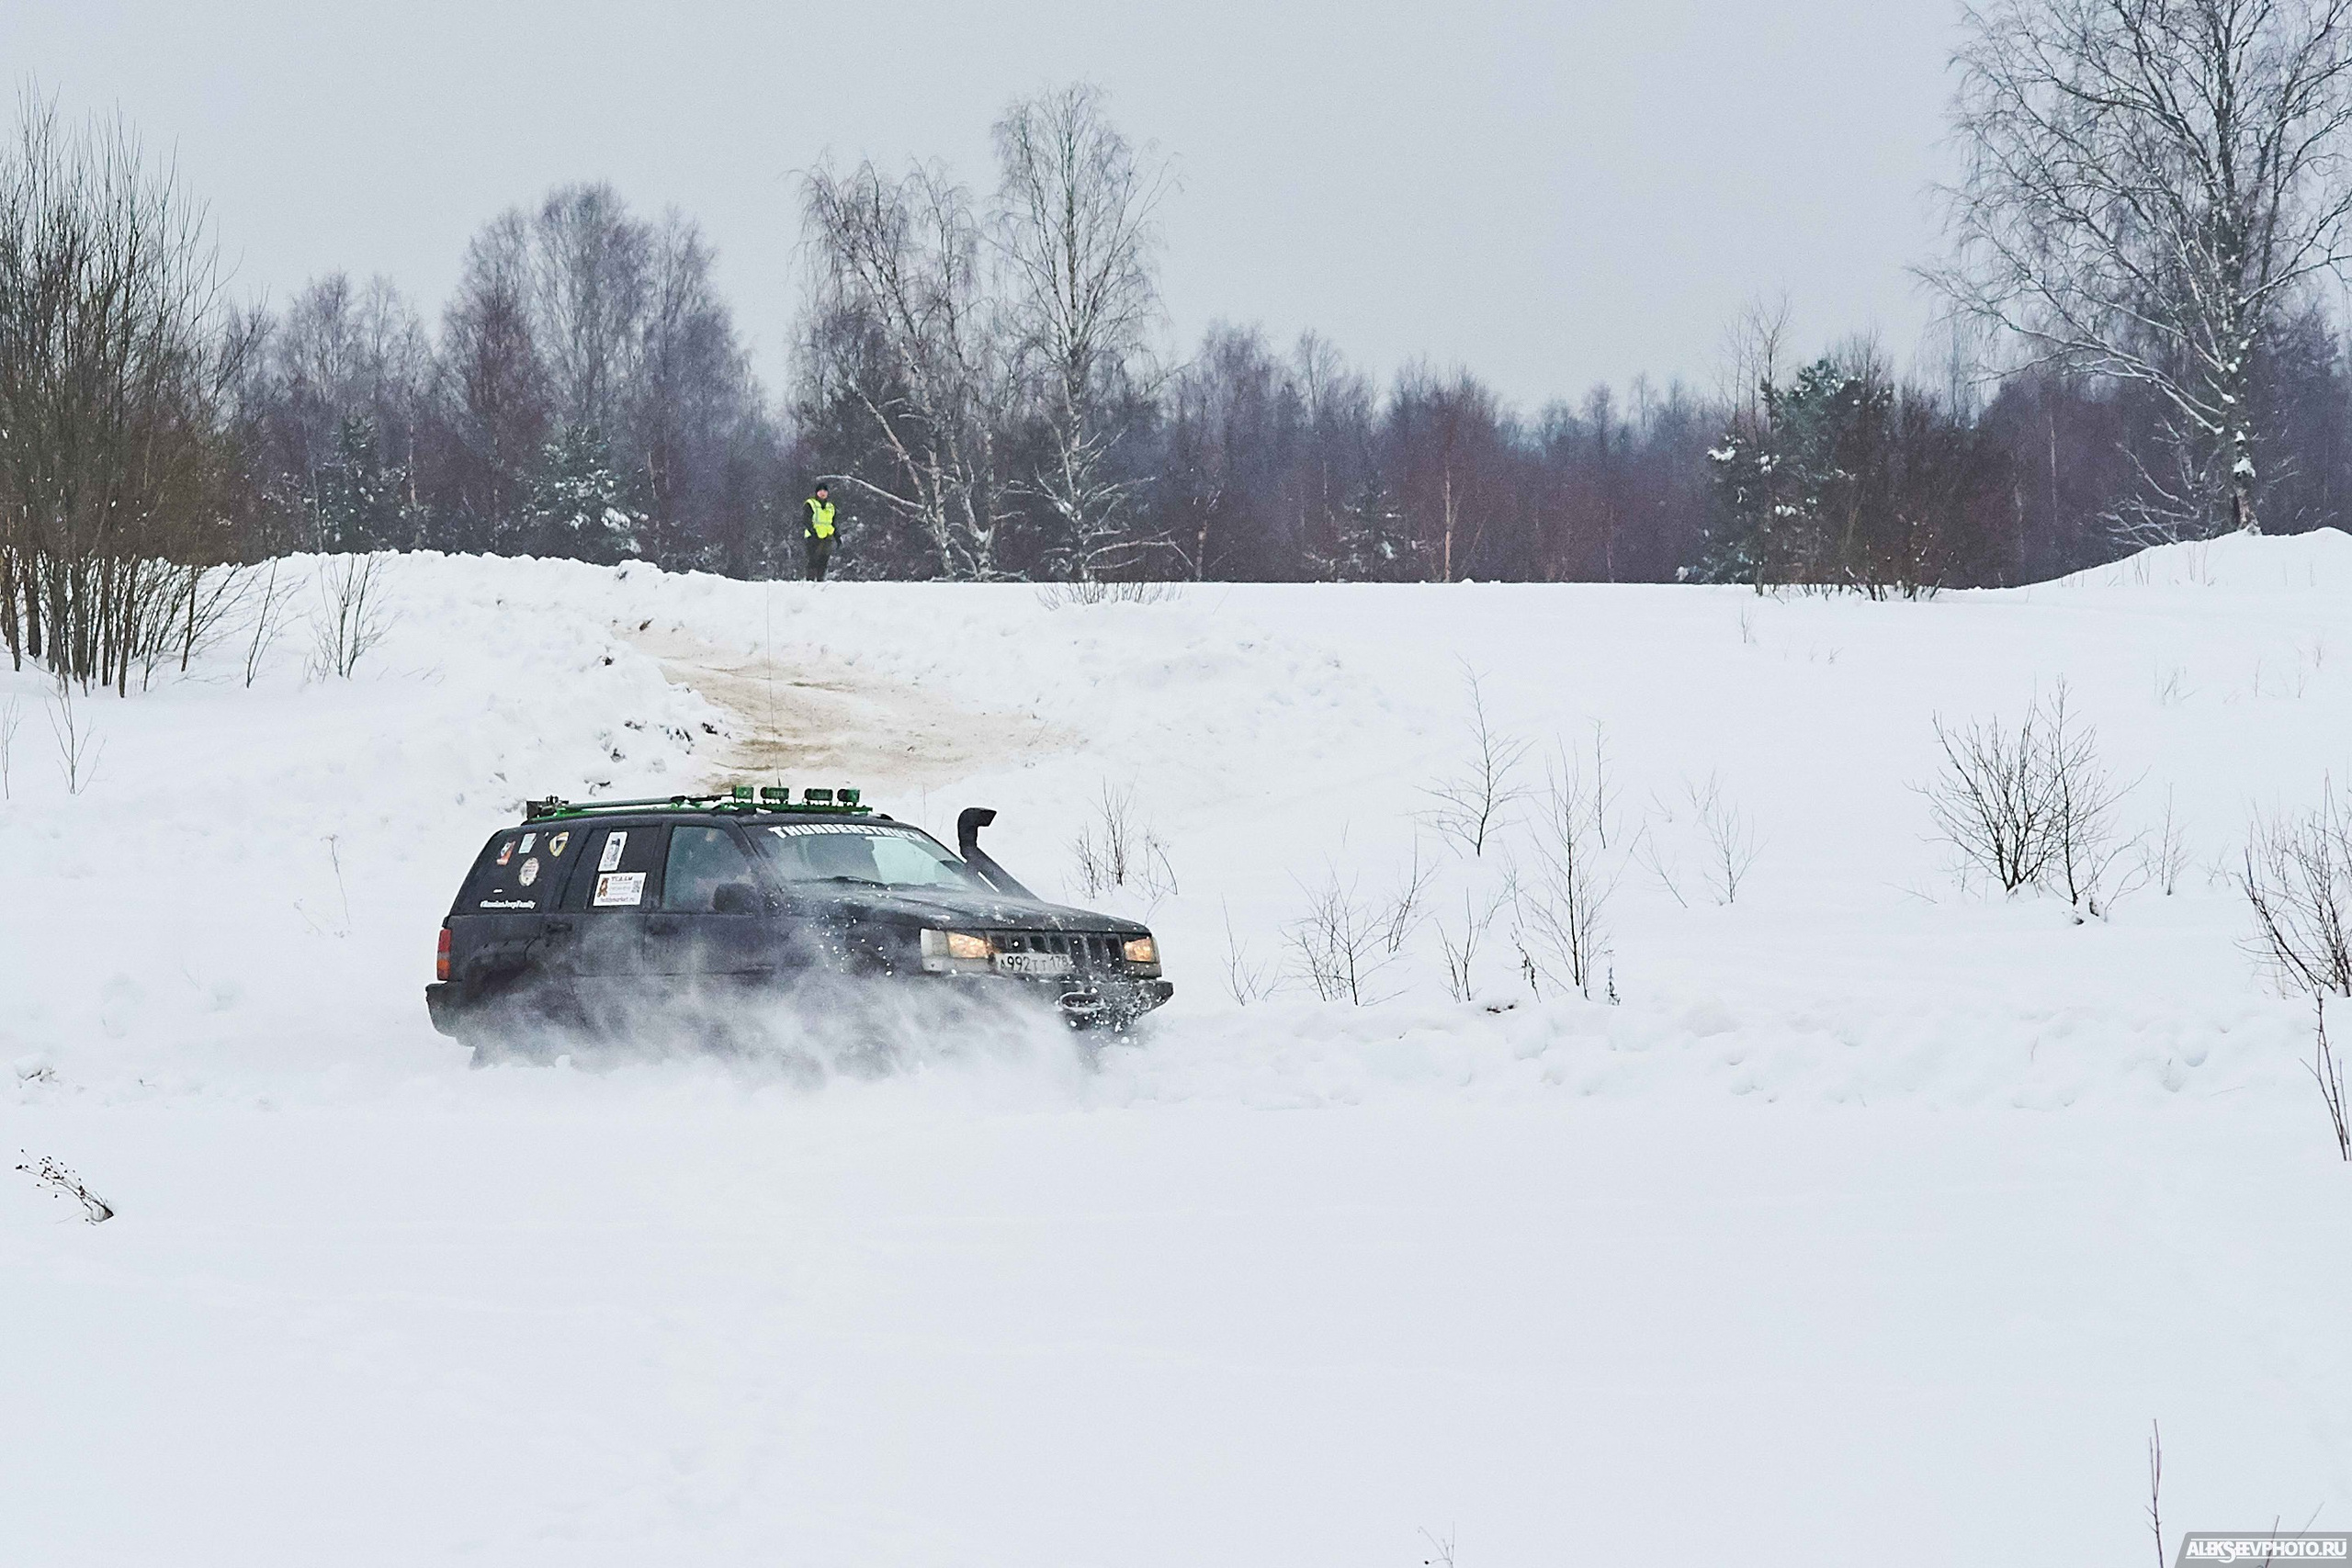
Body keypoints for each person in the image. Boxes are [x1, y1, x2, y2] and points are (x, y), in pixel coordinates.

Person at [802, 482, 838, 581]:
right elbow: (806, 519)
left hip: (827, 536)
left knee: (824, 560)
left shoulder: (830, 507)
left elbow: (833, 522)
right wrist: (813, 531)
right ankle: (810, 580)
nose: (823, 493)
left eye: (825, 491)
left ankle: (820, 580)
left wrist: (837, 536)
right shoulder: (811, 504)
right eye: (820, 491)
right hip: (814, 536)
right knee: (813, 559)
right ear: (817, 492)